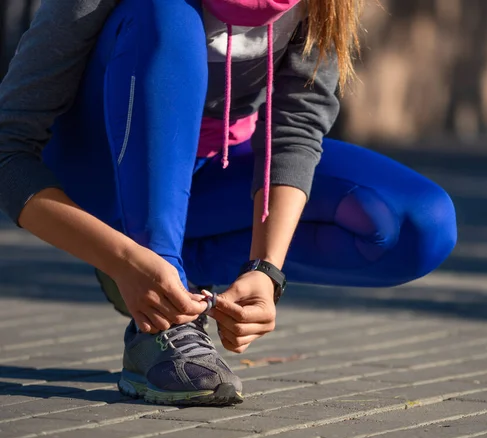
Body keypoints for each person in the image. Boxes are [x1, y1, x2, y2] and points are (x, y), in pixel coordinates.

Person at [0, 0, 457, 406]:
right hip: (105, 178)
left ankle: (173, 281)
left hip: (214, 177)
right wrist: (120, 257)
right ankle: (157, 324)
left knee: (414, 226)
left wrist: (265, 270)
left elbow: (294, 133)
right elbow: (8, 150)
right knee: (166, 11)